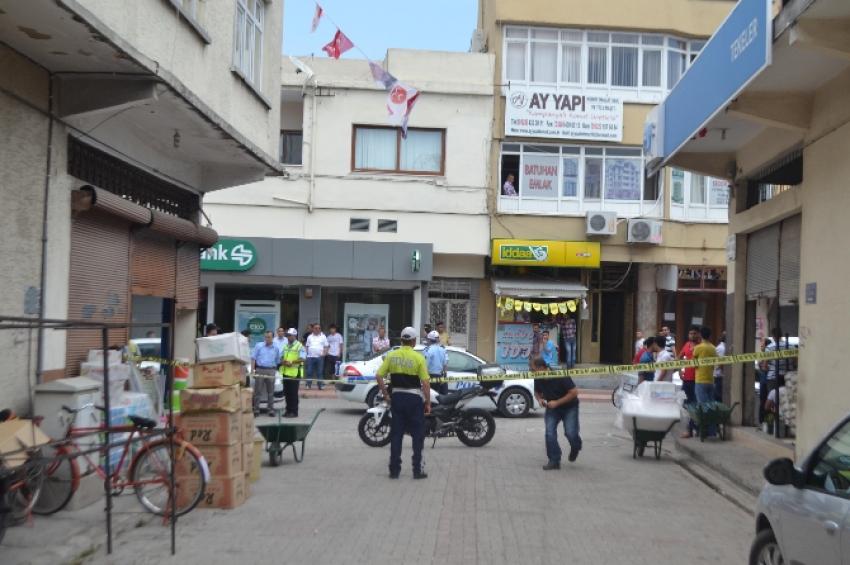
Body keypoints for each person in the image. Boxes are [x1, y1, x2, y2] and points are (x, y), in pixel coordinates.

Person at [375, 326, 431, 479]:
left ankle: (394, 471)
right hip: (414, 399)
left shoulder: (391, 356)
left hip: (397, 399)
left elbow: (379, 376)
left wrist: (386, 395)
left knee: (396, 435)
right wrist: (428, 402)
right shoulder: (419, 358)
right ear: (413, 341)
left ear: (401, 340)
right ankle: (417, 470)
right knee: (418, 436)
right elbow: (425, 383)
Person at [532, 357, 581, 470]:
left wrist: (557, 402)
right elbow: (537, 392)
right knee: (549, 433)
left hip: (569, 407)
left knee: (570, 433)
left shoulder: (560, 374)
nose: (532, 372)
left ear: (541, 368)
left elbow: (574, 392)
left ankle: (576, 447)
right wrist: (540, 400)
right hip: (552, 408)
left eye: (533, 370)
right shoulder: (538, 377)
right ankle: (554, 460)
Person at [693, 326, 718, 437]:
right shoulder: (713, 348)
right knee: (711, 406)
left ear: (700, 335)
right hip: (710, 380)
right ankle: (712, 431)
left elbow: (694, 364)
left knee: (702, 407)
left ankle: (703, 430)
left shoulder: (698, 348)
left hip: (700, 380)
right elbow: (716, 362)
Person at [251, 330, 280, 417]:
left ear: (272, 338)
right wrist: (252, 370)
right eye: (266, 337)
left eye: (269, 337)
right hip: (260, 369)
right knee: (257, 391)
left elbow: (277, 360)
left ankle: (270, 410)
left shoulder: (276, 348)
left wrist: (275, 370)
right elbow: (253, 358)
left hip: (271, 370)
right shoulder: (259, 346)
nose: (267, 339)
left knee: (271, 392)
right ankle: (256, 410)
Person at [679, 325, 701, 438]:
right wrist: (679, 371)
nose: (692, 335)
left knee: (695, 405)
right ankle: (690, 428)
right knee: (686, 405)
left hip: (697, 380)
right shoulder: (687, 345)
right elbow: (679, 358)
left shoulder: (701, 346)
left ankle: (695, 428)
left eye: (694, 333)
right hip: (687, 380)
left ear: (698, 334)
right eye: (690, 333)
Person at [279, 328, 305, 418]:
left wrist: (291, 362)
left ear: (294, 336)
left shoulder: (299, 346)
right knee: (287, 393)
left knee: (293, 394)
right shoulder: (286, 346)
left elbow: (302, 358)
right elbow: (281, 356)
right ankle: (288, 410)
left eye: (290, 335)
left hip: (295, 373)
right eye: (287, 335)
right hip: (286, 372)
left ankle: (294, 412)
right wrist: (283, 361)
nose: (288, 337)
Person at [305, 324, 329, 390]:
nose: (317, 329)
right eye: (316, 328)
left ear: (320, 329)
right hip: (310, 357)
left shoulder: (323, 336)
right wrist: (306, 354)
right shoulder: (309, 336)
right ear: (313, 329)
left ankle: (320, 385)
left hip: (320, 357)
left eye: (319, 328)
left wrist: (324, 353)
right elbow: (307, 346)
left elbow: (326, 346)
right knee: (309, 371)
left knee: (319, 372)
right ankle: (308, 384)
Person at [423, 330, 448, 395]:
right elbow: (445, 365)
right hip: (441, 376)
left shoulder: (428, 350)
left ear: (429, 340)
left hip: (431, 377)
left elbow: (425, 365)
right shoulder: (443, 349)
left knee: (431, 398)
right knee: (442, 398)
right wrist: (444, 377)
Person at [713, 331, 726, 402]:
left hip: (719, 377)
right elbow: (721, 364)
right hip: (719, 377)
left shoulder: (723, 347)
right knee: (718, 398)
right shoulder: (722, 348)